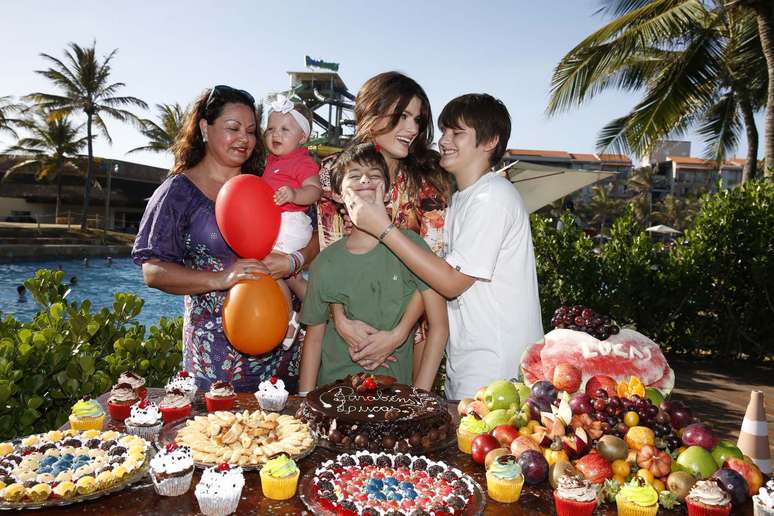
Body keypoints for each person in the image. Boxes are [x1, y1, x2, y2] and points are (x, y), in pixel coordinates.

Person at [344, 93, 544, 400]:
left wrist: (382, 227)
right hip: (466, 362)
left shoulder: (493, 197)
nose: (444, 141)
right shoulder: (462, 199)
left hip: (496, 368)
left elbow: (451, 282)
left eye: (457, 133)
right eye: (444, 132)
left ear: (490, 141)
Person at [132, 85, 319, 393]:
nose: (244, 139)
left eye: (250, 131)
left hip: (284, 352)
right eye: (232, 128)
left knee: (285, 438)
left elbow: (313, 235)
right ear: (205, 128)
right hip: (214, 357)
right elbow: (152, 271)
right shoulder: (178, 192)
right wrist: (221, 278)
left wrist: (293, 260)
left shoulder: (269, 180)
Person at [317, 72, 451, 379]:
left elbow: (431, 267)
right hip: (344, 331)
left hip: (412, 331)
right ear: (370, 113)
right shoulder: (333, 172)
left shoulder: (428, 181)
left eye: (418, 119)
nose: (412, 128)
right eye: (402, 116)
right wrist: (341, 321)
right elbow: (331, 253)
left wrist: (398, 333)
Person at [298, 143, 448, 392]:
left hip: (395, 399)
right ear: (337, 194)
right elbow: (314, 338)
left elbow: (439, 326)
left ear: (388, 193)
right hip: (333, 397)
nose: (365, 179)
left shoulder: (411, 247)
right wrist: (303, 399)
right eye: (354, 176)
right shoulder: (325, 262)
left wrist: (420, 399)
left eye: (375, 175)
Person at [262, 94, 322, 346]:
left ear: (302, 137)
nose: (276, 134)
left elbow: (315, 190)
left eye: (285, 129)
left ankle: (289, 319)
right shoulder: (272, 162)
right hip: (280, 223)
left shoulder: (302, 162)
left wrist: (295, 194)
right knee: (292, 277)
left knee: (271, 269)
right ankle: (320, 312)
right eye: (271, 129)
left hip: (290, 222)